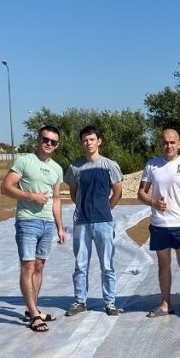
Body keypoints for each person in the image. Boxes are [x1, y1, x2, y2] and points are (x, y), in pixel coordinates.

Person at [0, 125, 66, 332]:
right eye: (45, 139)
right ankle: (34, 316)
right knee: (27, 266)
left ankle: (33, 309)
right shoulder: (24, 161)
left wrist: (60, 227)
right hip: (28, 221)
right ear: (38, 139)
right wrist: (31, 196)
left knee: (39, 266)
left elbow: (56, 199)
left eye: (53, 142)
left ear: (57, 145)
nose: (48, 144)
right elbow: (6, 188)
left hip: (47, 224)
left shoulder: (57, 168)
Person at [137, 128, 180, 320]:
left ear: (179, 144)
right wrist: (153, 203)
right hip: (159, 225)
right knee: (163, 264)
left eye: (173, 142)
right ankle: (165, 304)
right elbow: (141, 193)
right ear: (160, 143)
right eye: (165, 142)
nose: (169, 146)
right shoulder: (152, 166)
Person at [63, 125, 124, 316]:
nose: (88, 143)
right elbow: (74, 193)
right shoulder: (75, 167)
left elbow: (118, 191)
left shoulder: (109, 165)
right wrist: (83, 207)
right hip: (82, 222)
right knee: (81, 264)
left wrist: (106, 208)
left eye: (91, 139)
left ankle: (110, 302)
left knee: (107, 264)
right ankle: (80, 301)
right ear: (81, 143)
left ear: (99, 141)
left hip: (103, 222)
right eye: (84, 140)